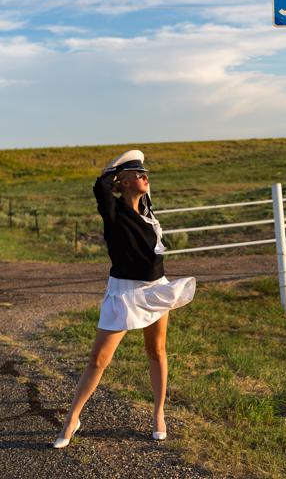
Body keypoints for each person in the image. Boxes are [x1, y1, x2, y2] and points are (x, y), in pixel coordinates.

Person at [52, 149, 196, 448]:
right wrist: (112, 171)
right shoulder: (114, 212)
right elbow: (100, 187)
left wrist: (129, 174)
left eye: (145, 173)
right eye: (138, 174)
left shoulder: (147, 211)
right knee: (98, 360)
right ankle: (72, 419)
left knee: (157, 351)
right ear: (124, 181)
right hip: (124, 293)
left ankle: (158, 414)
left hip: (155, 289)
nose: (145, 177)